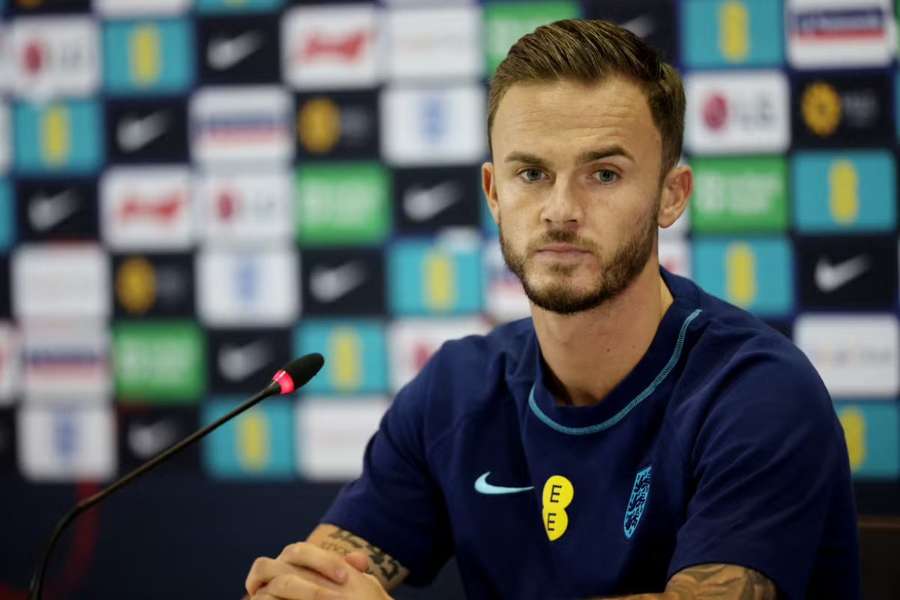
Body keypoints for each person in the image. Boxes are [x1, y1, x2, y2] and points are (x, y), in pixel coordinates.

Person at [244, 19, 860, 600]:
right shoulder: (455, 392)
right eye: (532, 173)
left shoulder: (759, 392)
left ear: (671, 195)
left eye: (605, 174)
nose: (560, 209)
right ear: (493, 193)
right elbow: (325, 574)